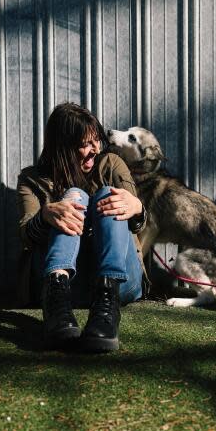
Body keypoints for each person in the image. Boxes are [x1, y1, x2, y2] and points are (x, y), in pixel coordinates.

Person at [16, 102, 148, 352]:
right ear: (62, 148)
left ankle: (106, 309)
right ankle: (56, 298)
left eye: (96, 140)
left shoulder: (111, 164)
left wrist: (138, 208)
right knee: (74, 196)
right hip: (67, 288)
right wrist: (45, 215)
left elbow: (135, 225)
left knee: (110, 195)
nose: (94, 150)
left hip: (119, 283)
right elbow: (26, 236)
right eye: (85, 144)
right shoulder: (32, 179)